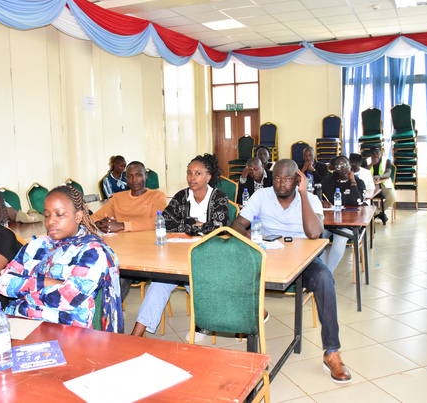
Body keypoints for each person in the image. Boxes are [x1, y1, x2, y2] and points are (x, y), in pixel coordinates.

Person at [230, 159, 351, 384]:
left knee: (325, 279)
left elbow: (314, 233)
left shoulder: (311, 199)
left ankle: (332, 352)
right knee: (232, 264)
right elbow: (236, 224)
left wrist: (303, 194)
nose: (281, 184)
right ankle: (255, 311)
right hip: (267, 255)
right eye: (277, 178)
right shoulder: (261, 196)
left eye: (287, 179)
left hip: (303, 259)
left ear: (298, 179)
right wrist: (250, 237)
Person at [130, 153, 229, 341]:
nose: (192, 178)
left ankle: (202, 323)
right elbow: (165, 222)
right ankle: (135, 337)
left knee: (196, 280)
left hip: (207, 256)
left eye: (198, 173)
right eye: (189, 173)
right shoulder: (182, 196)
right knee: (159, 282)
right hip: (177, 255)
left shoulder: (219, 197)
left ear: (208, 176)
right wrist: (195, 225)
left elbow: (219, 227)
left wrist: (186, 226)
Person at [0, 185, 123, 331]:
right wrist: (46, 282)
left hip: (66, 331)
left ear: (78, 216)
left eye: (59, 214)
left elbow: (66, 298)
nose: (51, 221)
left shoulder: (92, 252)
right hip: (22, 323)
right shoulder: (37, 245)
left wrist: (24, 292)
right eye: (47, 215)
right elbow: (3, 283)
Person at [91, 161, 167, 300]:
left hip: (147, 251)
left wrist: (122, 225)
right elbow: (94, 218)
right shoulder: (117, 198)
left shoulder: (157, 196)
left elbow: (155, 222)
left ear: (145, 176)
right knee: (98, 273)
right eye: (130, 176)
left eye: (138, 175)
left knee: (119, 278)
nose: (134, 180)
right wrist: (99, 224)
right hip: (121, 250)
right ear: (126, 178)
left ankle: (110, 309)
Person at [319, 156, 366, 274]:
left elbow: (358, 202)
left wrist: (352, 181)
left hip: (347, 224)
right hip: (328, 222)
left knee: (339, 242)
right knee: (318, 241)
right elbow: (316, 197)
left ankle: (328, 274)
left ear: (350, 165)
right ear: (335, 169)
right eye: (339, 167)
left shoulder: (359, 182)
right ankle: (323, 272)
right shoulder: (327, 181)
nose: (343, 168)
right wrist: (321, 202)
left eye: (345, 165)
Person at [365, 145, 396, 225]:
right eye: (374, 153)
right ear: (371, 154)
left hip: (385, 184)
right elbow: (363, 172)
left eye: (378, 153)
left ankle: (377, 212)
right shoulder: (367, 161)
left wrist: (380, 176)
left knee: (392, 198)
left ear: (380, 153)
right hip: (371, 185)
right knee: (366, 198)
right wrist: (372, 163)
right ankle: (379, 214)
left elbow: (388, 173)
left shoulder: (386, 161)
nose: (376, 155)